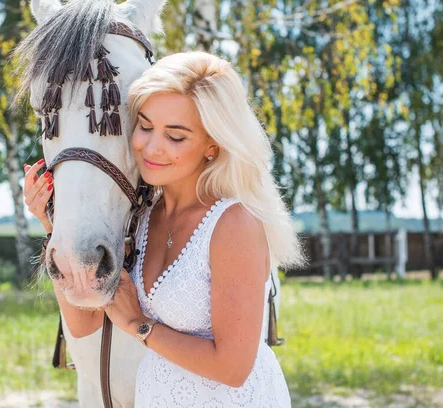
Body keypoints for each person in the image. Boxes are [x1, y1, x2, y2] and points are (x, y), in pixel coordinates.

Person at [24, 51, 304, 407]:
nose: (151, 147)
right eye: (144, 125)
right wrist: (52, 225)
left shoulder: (234, 224)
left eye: (175, 136)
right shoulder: (142, 217)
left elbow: (233, 368)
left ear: (211, 146)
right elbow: (84, 326)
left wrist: (139, 325)